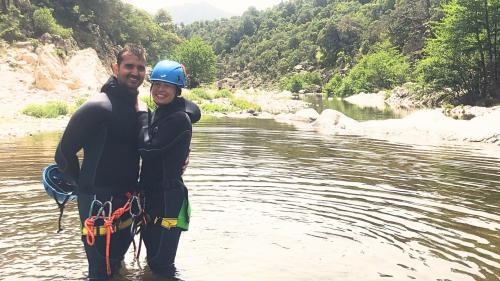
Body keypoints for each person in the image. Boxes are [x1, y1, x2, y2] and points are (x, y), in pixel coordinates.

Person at [54, 44, 199, 280]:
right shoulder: (98, 107)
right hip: (98, 204)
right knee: (101, 273)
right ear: (115, 68)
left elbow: (181, 115)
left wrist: (182, 152)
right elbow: (63, 154)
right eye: (129, 66)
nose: (135, 72)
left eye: (140, 68)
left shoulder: (140, 110)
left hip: (129, 204)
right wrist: (84, 190)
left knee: (117, 267)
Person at [136, 60, 198, 277]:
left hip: (167, 199)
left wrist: (142, 116)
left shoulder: (178, 118)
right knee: (152, 258)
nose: (160, 90)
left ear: (177, 89)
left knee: (161, 265)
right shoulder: (165, 112)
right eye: (157, 84)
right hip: (154, 197)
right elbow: (193, 109)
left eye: (167, 86)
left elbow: (148, 149)